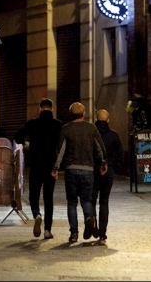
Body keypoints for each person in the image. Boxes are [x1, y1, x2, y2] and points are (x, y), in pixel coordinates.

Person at [52, 102, 107, 243]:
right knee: (86, 200)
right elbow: (100, 148)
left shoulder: (66, 129)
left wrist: (56, 168)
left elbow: (60, 151)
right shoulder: (91, 128)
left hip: (71, 170)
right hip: (88, 170)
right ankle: (88, 217)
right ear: (84, 113)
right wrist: (103, 163)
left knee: (71, 203)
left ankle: (74, 233)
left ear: (71, 114)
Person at [15, 98, 64, 239]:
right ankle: (48, 230)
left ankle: (36, 214)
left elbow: (17, 137)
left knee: (33, 195)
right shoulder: (58, 125)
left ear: (40, 108)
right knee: (49, 198)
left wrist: (27, 143)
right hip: (51, 166)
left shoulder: (32, 123)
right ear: (52, 109)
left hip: (36, 164)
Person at [92, 109, 123, 246]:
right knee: (104, 202)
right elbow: (120, 155)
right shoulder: (114, 136)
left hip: (92, 172)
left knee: (91, 200)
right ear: (108, 120)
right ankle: (102, 234)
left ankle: (93, 227)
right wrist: (113, 167)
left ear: (95, 119)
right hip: (108, 172)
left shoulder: (91, 134)